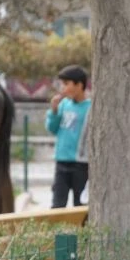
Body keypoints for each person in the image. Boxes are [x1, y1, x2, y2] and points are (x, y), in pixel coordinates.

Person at [46, 64, 91, 208]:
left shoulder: (91, 107)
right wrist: (53, 111)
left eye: (66, 84)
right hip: (62, 162)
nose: (62, 88)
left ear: (79, 85)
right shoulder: (64, 105)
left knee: (81, 205)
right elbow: (52, 128)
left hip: (81, 164)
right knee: (57, 205)